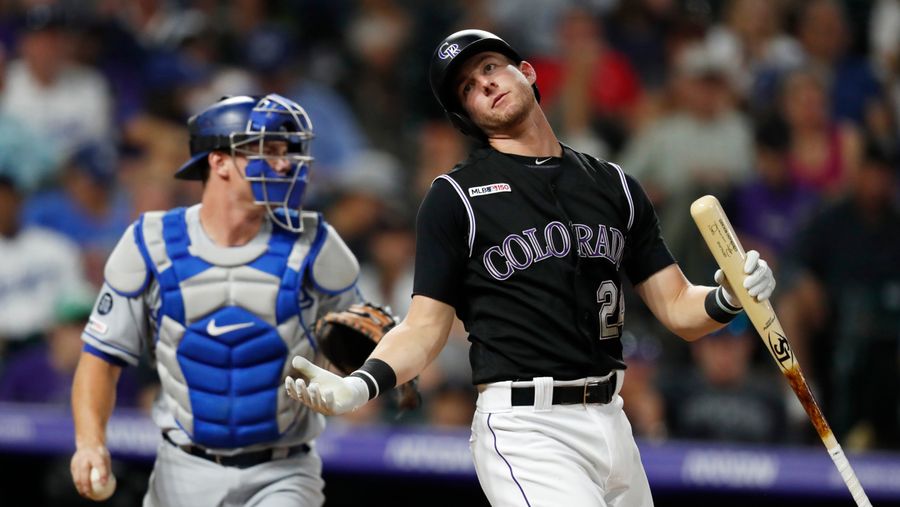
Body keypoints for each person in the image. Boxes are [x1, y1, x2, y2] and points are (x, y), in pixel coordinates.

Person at [285, 30, 776, 506]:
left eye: (490, 68)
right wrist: (361, 384)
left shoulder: (614, 185)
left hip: (612, 418)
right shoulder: (455, 197)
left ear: (526, 71)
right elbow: (425, 327)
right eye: (469, 88)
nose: (486, 85)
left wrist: (729, 297)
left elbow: (676, 307)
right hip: (527, 427)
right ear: (467, 117)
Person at [69, 93, 364, 506]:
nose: (283, 164)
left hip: (282, 470)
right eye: (268, 150)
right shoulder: (151, 242)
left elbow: (357, 347)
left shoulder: (315, 243)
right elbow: (100, 358)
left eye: (287, 152)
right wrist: (90, 443)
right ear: (219, 161)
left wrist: (354, 373)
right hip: (183, 467)